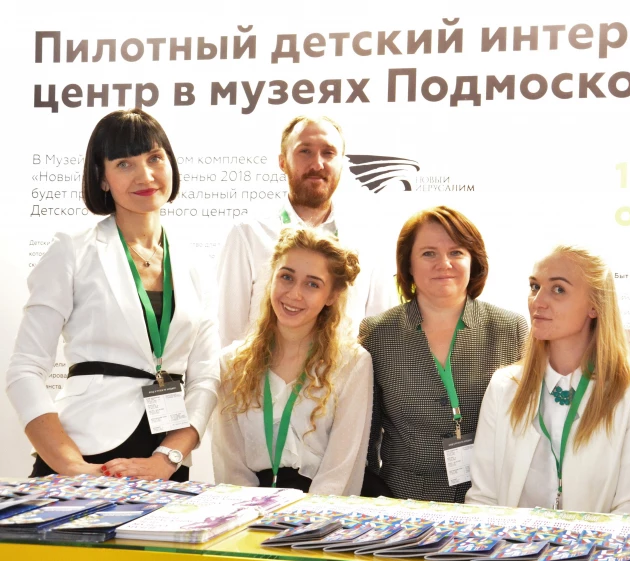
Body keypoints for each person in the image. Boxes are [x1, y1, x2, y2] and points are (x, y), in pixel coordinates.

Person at [5, 109, 220, 482]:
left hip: (164, 461)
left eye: (155, 158)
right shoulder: (73, 250)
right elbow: (25, 369)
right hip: (86, 454)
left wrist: (168, 458)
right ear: (101, 178)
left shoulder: (196, 263)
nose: (145, 175)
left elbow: (206, 377)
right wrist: (73, 466)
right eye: (124, 164)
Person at [465, 246, 630, 513]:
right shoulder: (504, 385)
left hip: (597, 541)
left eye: (558, 289)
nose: (537, 301)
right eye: (535, 287)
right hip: (512, 540)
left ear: (595, 305)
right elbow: (483, 498)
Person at [360, 206, 528, 503]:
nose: (444, 264)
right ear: (408, 264)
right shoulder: (378, 333)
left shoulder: (510, 328)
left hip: (490, 500)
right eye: (429, 253)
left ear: (474, 261)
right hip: (402, 501)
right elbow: (366, 435)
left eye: (456, 252)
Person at [212, 227, 373, 494]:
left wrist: (309, 515)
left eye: (312, 284)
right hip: (247, 506)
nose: (294, 294)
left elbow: (342, 467)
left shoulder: (352, 364)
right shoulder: (232, 363)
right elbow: (230, 465)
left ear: (331, 296)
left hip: (321, 508)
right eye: (286, 277)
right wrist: (250, 512)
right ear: (272, 277)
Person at [217, 115, 395, 346]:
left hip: (345, 370)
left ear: (342, 163)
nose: (317, 164)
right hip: (261, 370)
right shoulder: (248, 235)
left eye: (328, 153)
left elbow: (382, 337)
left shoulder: (368, 240)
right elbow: (228, 336)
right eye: (305, 151)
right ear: (282, 162)